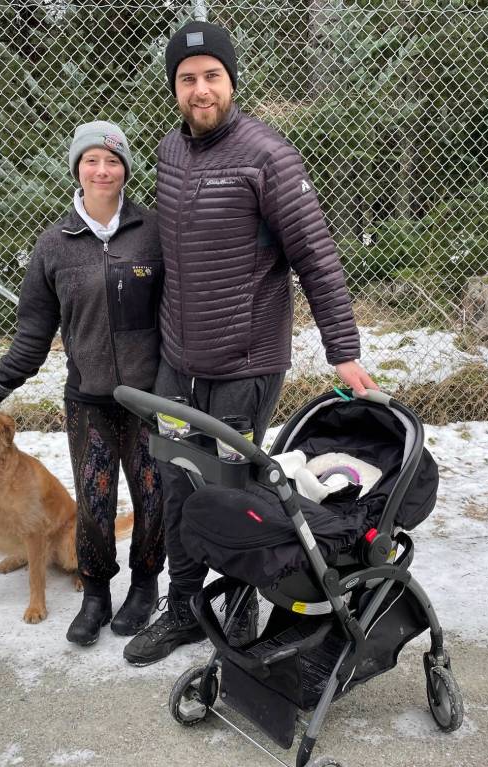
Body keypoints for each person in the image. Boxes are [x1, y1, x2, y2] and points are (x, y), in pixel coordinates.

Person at [122, 22, 376, 666]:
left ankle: (238, 612)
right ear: (174, 87)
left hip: (244, 363)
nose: (200, 89)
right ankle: (183, 610)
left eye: (212, 76)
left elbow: (316, 258)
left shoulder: (268, 157)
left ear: (232, 80)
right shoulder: (170, 152)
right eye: (187, 78)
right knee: (178, 484)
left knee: (231, 496)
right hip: (179, 364)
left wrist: (341, 349)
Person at [0, 121, 165, 647]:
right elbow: (34, 331)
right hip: (90, 399)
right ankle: (96, 593)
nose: (103, 171)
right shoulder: (55, 244)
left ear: (126, 169)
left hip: (150, 399)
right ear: (77, 169)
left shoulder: (152, 231)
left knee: (153, 496)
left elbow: (179, 314)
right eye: (91, 161)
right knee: (94, 499)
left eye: (114, 161)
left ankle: (145, 588)